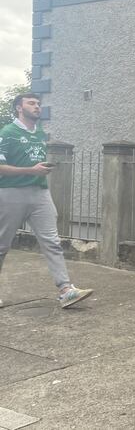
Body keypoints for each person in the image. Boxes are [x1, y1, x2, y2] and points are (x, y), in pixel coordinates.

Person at [0, 92, 94, 308]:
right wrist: (30, 169)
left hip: (40, 193)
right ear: (18, 108)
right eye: (31, 103)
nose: (37, 107)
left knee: (51, 241)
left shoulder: (40, 134)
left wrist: (39, 171)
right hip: (11, 193)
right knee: (2, 245)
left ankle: (66, 290)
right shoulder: (8, 132)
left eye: (38, 104)